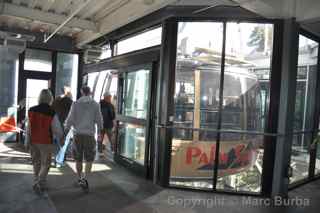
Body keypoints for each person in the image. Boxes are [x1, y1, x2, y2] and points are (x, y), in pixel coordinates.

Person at [65, 86, 103, 193]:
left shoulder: (75, 104)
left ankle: (79, 178)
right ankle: (85, 179)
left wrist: (66, 132)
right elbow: (99, 120)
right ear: (90, 92)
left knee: (78, 159)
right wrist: (99, 133)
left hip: (78, 134)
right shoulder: (95, 105)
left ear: (81, 92)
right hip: (90, 135)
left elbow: (70, 119)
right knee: (89, 159)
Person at [26, 89, 63, 195]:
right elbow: (56, 128)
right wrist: (60, 136)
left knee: (36, 162)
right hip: (46, 141)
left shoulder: (32, 110)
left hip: (33, 140)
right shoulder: (51, 112)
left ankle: (37, 181)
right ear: (50, 98)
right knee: (46, 164)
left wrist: (27, 140)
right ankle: (39, 182)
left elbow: (29, 126)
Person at [51, 87, 73, 167]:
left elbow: (51, 110)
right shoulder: (70, 101)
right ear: (68, 92)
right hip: (66, 124)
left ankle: (60, 159)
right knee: (64, 143)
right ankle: (58, 161)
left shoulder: (56, 100)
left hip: (56, 123)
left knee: (59, 142)